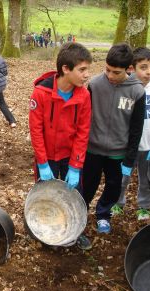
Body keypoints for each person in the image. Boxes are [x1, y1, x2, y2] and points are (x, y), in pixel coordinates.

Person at [29, 42, 93, 250]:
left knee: (75, 191)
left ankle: (76, 231)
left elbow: (83, 132)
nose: (86, 75)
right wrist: (43, 162)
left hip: (70, 156)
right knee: (44, 193)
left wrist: (75, 166)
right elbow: (36, 131)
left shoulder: (83, 95)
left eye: (87, 70)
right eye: (82, 70)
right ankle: (43, 230)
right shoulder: (41, 93)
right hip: (47, 157)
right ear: (66, 69)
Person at [83, 43, 145, 234]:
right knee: (87, 185)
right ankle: (79, 212)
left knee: (113, 187)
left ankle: (103, 214)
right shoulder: (94, 84)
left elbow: (137, 128)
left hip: (118, 152)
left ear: (129, 69)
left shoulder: (137, 92)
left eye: (116, 72)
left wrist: (130, 158)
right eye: (107, 70)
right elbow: (84, 117)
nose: (110, 76)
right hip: (93, 148)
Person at [113, 47, 150, 220]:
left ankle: (144, 206)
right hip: (127, 146)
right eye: (143, 67)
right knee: (122, 177)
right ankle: (117, 202)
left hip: (148, 145)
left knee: (146, 179)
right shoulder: (125, 87)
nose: (149, 72)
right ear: (132, 68)